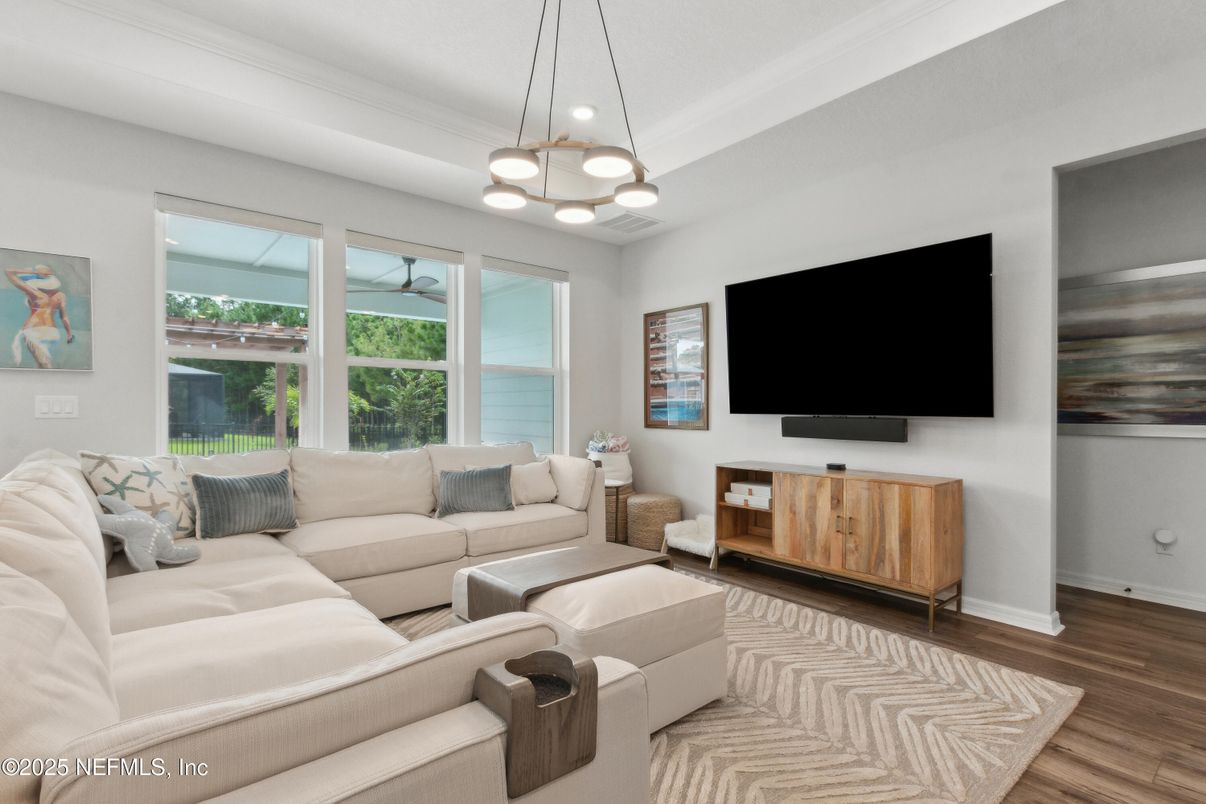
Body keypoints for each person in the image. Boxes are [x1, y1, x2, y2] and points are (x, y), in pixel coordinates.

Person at [6, 264, 73, 369]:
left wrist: (34, 272)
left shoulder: (35, 293)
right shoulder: (60, 296)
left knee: (44, 365)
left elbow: (9, 271)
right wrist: (69, 334)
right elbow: (64, 317)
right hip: (52, 333)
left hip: (34, 331)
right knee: (41, 365)